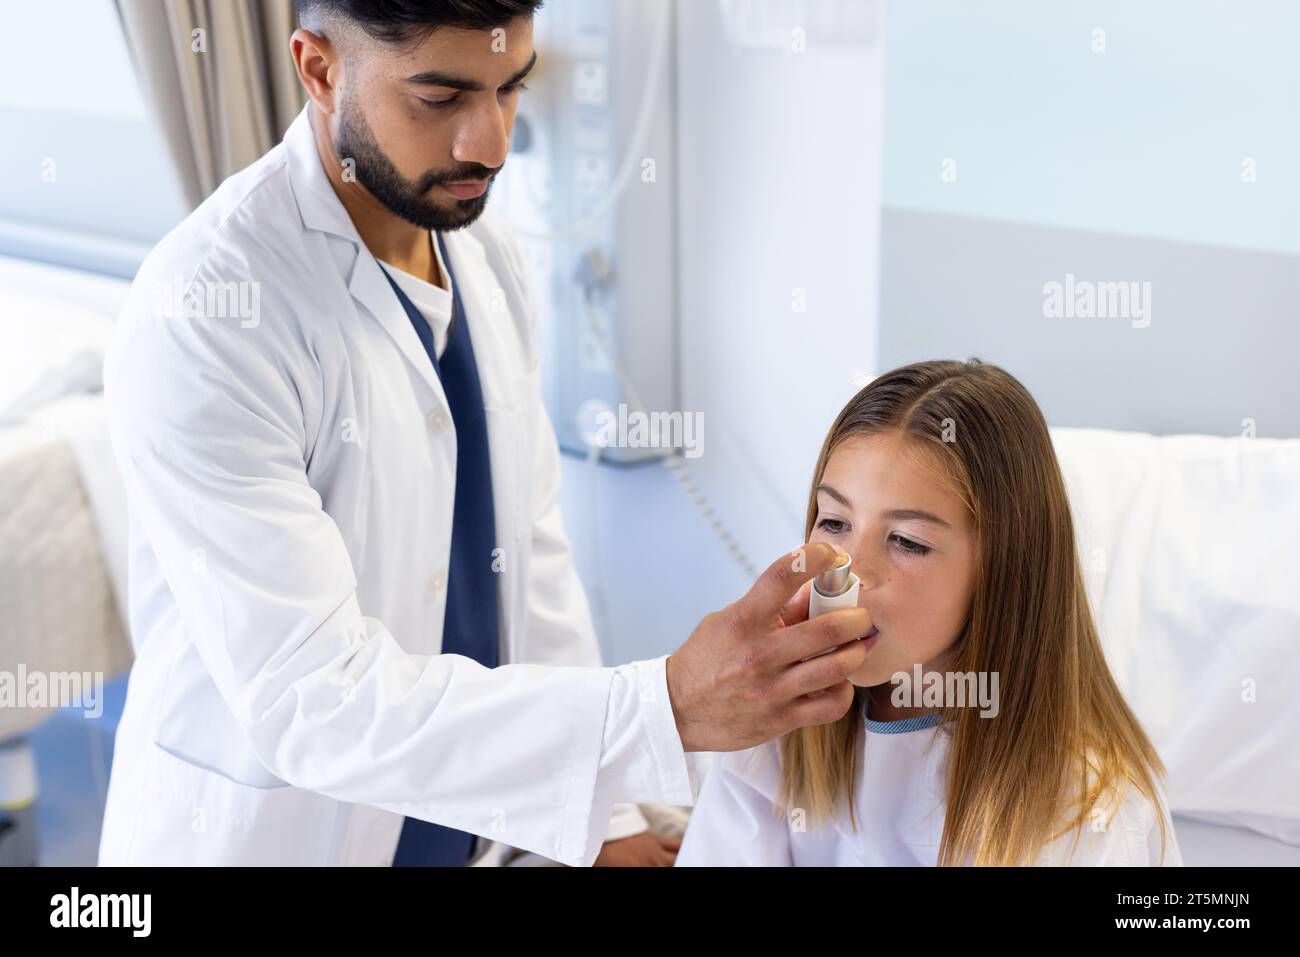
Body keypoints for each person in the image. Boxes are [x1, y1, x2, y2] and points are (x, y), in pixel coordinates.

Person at [97, 0, 874, 866]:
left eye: (512, 88)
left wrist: (608, 821)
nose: (493, 143)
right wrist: (667, 706)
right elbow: (315, 701)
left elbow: (532, 574)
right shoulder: (209, 314)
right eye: (440, 98)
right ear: (318, 68)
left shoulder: (488, 254)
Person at [676, 359, 1183, 866]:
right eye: (833, 521)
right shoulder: (773, 732)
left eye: (907, 541)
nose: (852, 570)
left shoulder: (1090, 809)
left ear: (1004, 565)